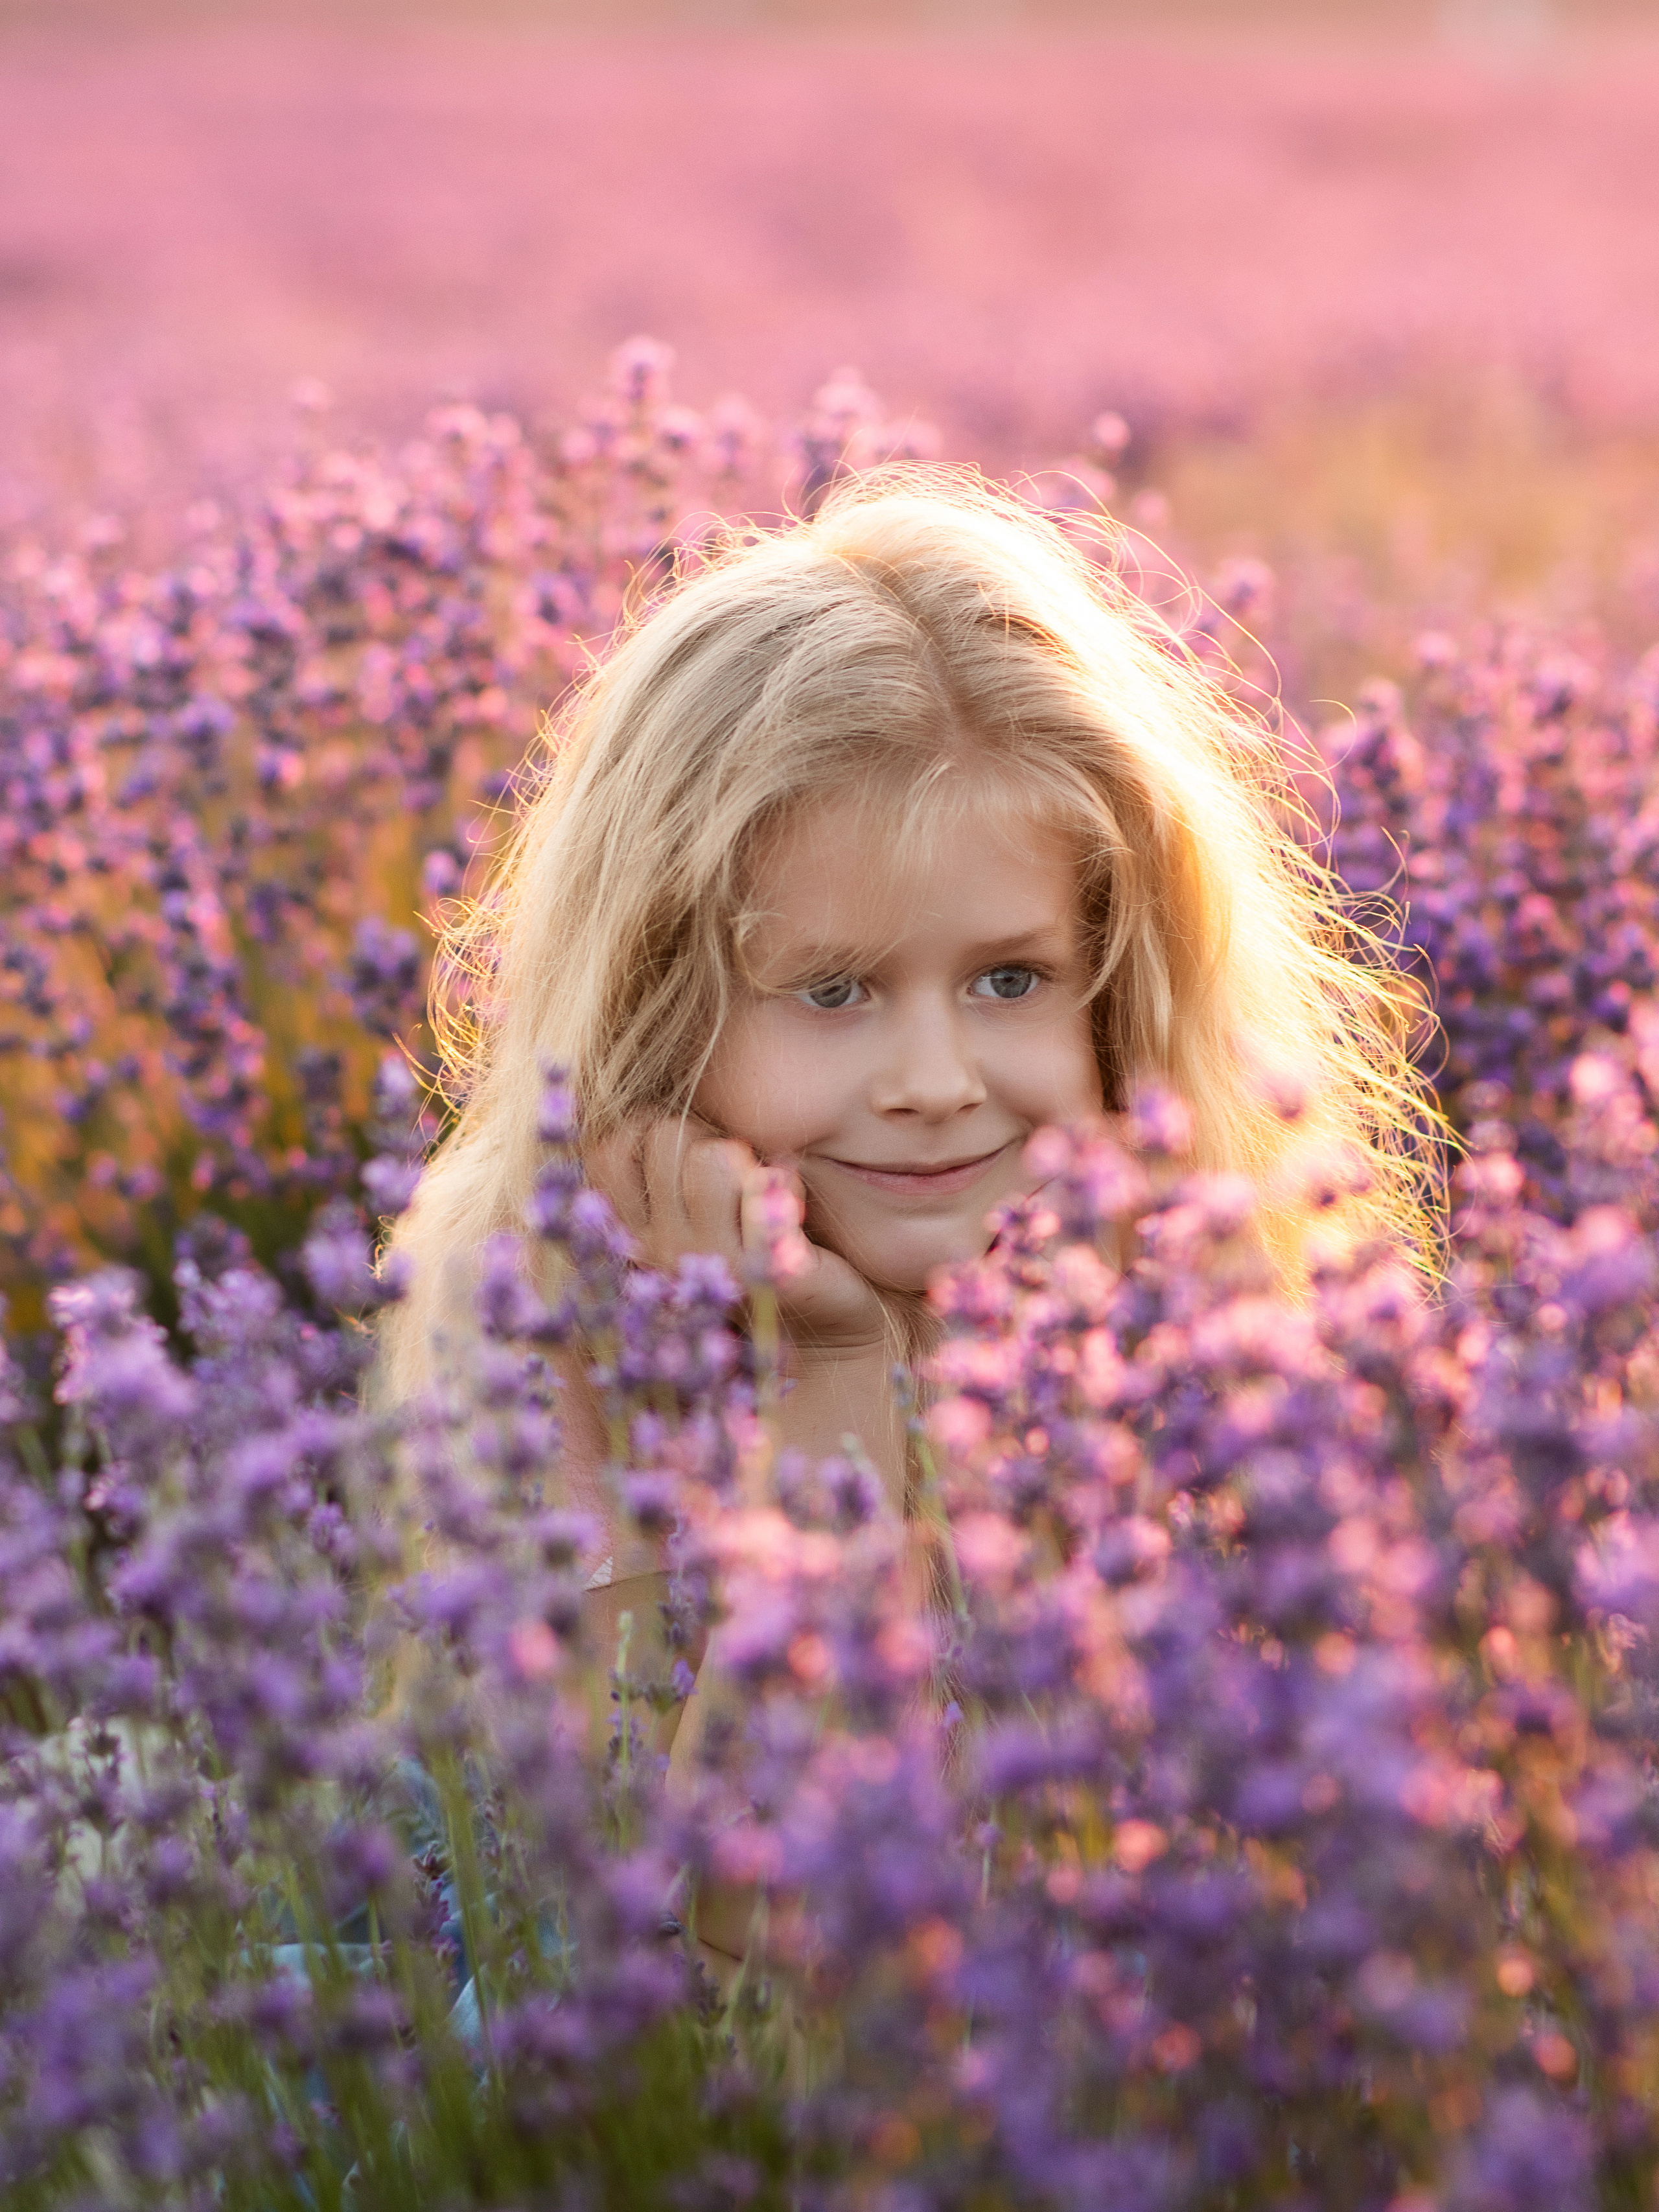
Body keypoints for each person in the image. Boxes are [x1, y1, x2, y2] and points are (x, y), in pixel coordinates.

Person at [373, 466, 1435, 1968]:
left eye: (1008, 979)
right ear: (659, 1010)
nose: (935, 1083)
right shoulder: (555, 1321)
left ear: (1116, 991)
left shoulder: (1162, 1274)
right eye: (833, 992)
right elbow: (738, 1931)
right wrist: (824, 1388)